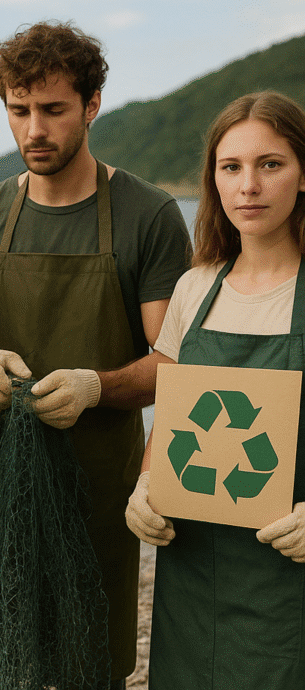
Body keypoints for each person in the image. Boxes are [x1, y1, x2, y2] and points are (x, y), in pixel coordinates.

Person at [0, 20, 192, 686]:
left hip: (100, 488)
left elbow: (175, 366)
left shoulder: (148, 214)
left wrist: (96, 387)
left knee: (90, 660)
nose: (33, 130)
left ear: (92, 105)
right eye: (18, 111)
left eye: (52, 110)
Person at [125, 90, 305, 688]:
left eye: (270, 164)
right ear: (214, 181)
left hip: (289, 576)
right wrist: (147, 486)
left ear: (303, 174)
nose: (248, 186)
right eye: (231, 167)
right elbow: (174, 415)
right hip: (193, 573)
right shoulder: (194, 288)